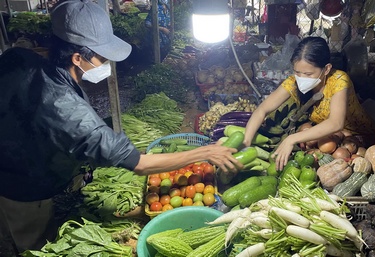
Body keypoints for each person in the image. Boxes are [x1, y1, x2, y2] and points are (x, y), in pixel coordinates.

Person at [0, 0, 241, 253]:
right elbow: (139, 164)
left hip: (11, 158)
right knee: (34, 246)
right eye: (102, 57)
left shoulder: (19, 57)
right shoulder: (69, 111)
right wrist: (206, 152)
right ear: (77, 57)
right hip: (23, 187)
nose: (106, 64)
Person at [243, 37, 375, 171]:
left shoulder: (339, 80)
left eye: (308, 74)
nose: (301, 78)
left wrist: (291, 139)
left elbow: (336, 123)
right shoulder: (293, 82)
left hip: (359, 139)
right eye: (297, 72)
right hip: (326, 137)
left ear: (326, 69)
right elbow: (262, 110)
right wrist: (246, 143)